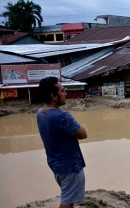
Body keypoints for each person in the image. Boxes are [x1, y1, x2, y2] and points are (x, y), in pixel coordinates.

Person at [37, 77, 87, 208]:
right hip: (69, 165)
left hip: (55, 163)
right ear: (53, 96)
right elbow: (83, 134)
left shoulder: (40, 113)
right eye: (62, 91)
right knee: (67, 199)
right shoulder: (62, 116)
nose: (66, 93)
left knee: (67, 195)